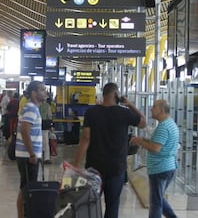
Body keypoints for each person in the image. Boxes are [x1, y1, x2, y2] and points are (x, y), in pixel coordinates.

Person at [73, 82, 146, 218]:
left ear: (103, 94)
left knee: (90, 204)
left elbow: (85, 139)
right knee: (112, 205)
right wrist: (129, 104)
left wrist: (75, 165)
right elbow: (143, 122)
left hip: (94, 168)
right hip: (116, 168)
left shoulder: (91, 112)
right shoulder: (124, 113)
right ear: (116, 94)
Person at [130, 99, 178, 218]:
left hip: (160, 169)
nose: (151, 109)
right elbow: (157, 143)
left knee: (155, 203)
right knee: (159, 198)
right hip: (167, 167)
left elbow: (156, 148)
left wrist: (140, 142)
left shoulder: (164, 127)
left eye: (154, 107)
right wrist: (142, 140)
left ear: (161, 111)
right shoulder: (169, 123)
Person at [15, 81, 47, 218]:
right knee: (27, 189)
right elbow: (25, 132)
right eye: (42, 90)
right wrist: (32, 154)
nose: (45, 92)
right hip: (27, 156)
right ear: (34, 93)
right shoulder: (30, 108)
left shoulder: (33, 108)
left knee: (27, 188)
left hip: (28, 155)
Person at [39, 96, 52, 164]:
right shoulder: (48, 106)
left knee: (39, 142)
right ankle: (47, 158)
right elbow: (50, 116)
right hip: (45, 126)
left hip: (38, 125)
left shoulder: (37, 105)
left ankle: (40, 157)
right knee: (46, 142)